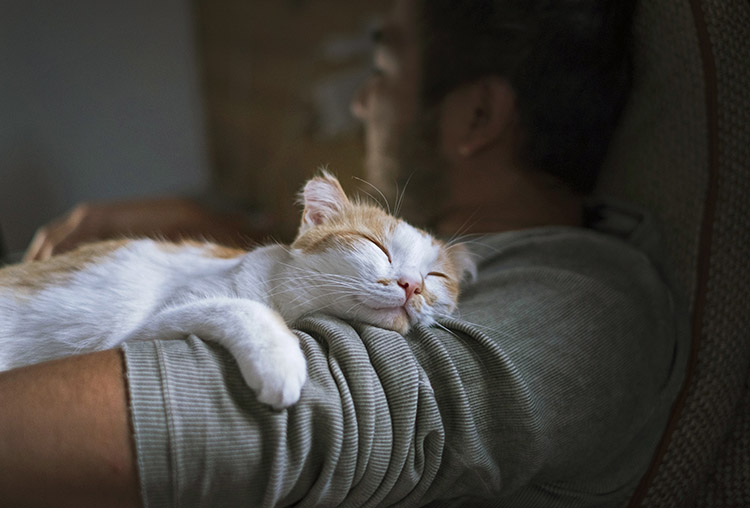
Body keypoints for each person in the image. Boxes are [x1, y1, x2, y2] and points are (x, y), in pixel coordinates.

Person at [0, 0, 689, 506]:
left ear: (476, 117)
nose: (361, 102)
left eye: (383, 70)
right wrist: (209, 228)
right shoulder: (486, 261)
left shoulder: (585, 304)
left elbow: (302, 419)